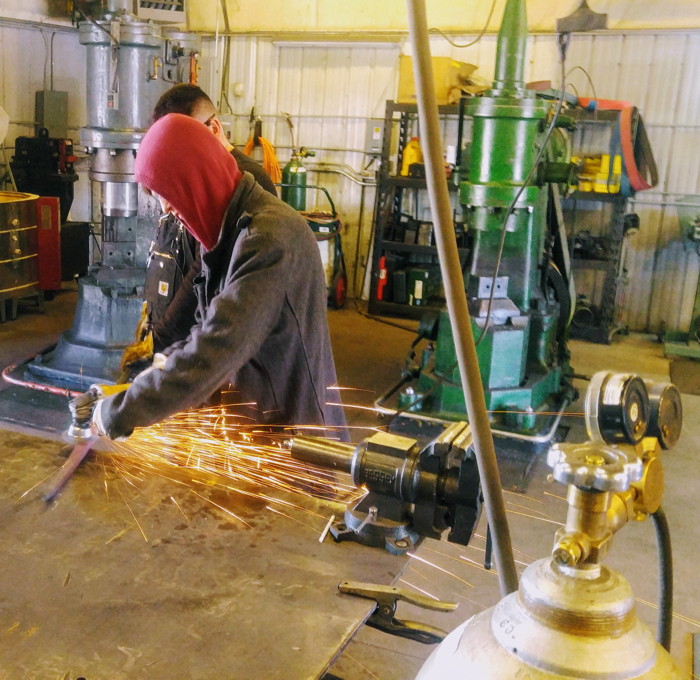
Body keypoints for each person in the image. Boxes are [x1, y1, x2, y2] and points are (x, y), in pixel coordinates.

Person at [85, 113, 346, 439]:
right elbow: (201, 331)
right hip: (257, 428)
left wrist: (121, 411)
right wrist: (130, 389)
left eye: (168, 193)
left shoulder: (267, 239)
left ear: (194, 178)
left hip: (296, 443)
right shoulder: (227, 234)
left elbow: (215, 350)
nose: (166, 208)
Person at [128, 85, 278, 361]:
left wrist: (162, 338)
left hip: (204, 338)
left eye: (186, 138)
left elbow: (205, 268)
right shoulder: (190, 177)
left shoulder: (246, 185)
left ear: (213, 127)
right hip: (179, 333)